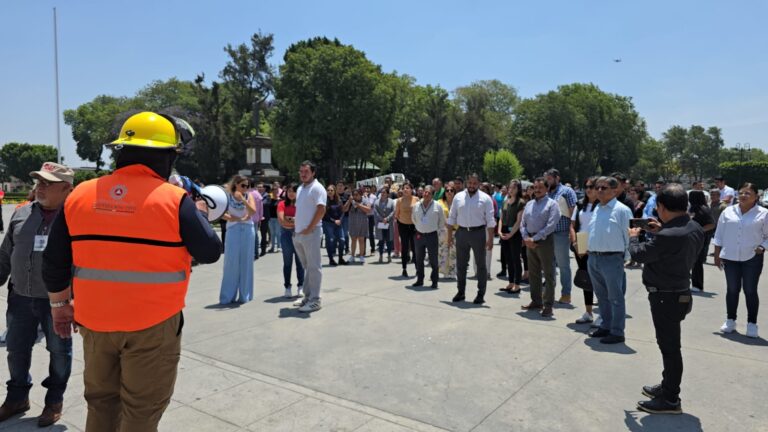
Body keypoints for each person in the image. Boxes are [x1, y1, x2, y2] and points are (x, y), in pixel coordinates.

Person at [42, 111, 222, 431]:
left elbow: (54, 261)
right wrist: (201, 213)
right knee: (141, 411)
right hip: (153, 325)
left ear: (121, 151)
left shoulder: (80, 195)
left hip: (95, 325)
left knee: (100, 403)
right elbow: (210, 251)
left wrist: (59, 308)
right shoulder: (175, 200)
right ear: (167, 157)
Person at [0, 162, 74, 427]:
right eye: (38, 182)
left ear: (67, 188)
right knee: (16, 350)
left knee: (59, 351)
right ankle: (17, 397)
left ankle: (54, 400)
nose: (39, 187)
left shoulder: (77, 219)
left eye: (47, 183)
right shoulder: (21, 214)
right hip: (20, 297)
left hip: (58, 301)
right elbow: (6, 252)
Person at [629, 183, 704, 415]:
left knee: (670, 348)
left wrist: (634, 237)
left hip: (665, 296)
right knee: (669, 346)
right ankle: (667, 386)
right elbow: (673, 244)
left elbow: (639, 254)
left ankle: (671, 399)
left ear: (661, 206)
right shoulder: (693, 227)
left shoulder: (670, 235)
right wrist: (659, 230)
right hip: (679, 292)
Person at [713, 182, 768, 338]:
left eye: (748, 193)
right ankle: (730, 320)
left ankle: (752, 324)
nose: (743, 196)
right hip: (730, 257)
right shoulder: (728, 211)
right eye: (741, 193)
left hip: (752, 258)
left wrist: (763, 247)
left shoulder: (763, 213)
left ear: (756, 197)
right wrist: (717, 254)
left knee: (750, 290)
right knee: (732, 290)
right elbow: (719, 234)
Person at [587, 176, 632, 344]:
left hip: (612, 259)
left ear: (615, 191)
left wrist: (627, 258)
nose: (599, 190)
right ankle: (606, 326)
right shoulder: (597, 208)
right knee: (601, 296)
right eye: (597, 187)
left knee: (615, 297)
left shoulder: (622, 210)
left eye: (603, 188)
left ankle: (617, 332)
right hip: (594, 257)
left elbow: (628, 236)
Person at [447, 174, 496, 304]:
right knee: (461, 265)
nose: (471, 186)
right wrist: (449, 237)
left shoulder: (485, 199)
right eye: (469, 183)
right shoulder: (458, 197)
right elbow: (452, 217)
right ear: (466, 183)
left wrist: (490, 239)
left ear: (479, 184)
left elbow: (491, 220)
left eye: (474, 183)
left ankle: (481, 294)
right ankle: (461, 292)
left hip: (478, 233)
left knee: (481, 265)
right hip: (461, 232)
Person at [519, 178, 560, 316]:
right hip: (529, 241)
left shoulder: (552, 204)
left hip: (544, 241)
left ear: (547, 189)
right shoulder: (529, 203)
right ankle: (536, 301)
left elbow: (551, 225)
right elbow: (522, 223)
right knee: (534, 273)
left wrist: (534, 238)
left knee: (548, 274)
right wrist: (526, 237)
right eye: (535, 187)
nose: (537, 190)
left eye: (540, 187)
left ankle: (548, 305)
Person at [292, 161, 327, 313]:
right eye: (301, 171)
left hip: (311, 233)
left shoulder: (317, 188)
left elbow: (321, 210)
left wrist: (310, 228)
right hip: (299, 233)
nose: (303, 174)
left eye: (306, 171)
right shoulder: (301, 188)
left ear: (313, 173)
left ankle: (315, 299)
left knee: (314, 266)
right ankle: (308, 296)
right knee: (308, 267)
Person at [219, 175, 257, 304]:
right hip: (233, 229)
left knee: (246, 262)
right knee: (231, 262)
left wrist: (244, 201)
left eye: (248, 186)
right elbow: (218, 212)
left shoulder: (248, 196)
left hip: (247, 229)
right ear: (236, 184)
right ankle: (227, 296)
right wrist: (230, 218)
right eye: (243, 186)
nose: (246, 188)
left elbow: (253, 212)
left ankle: (244, 295)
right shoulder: (227, 196)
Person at [570, 176, 600, 325]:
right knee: (585, 278)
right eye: (586, 187)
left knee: (599, 280)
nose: (588, 190)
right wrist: (575, 243)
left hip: (595, 247)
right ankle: (588, 312)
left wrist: (590, 247)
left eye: (591, 187)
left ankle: (602, 314)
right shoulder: (580, 204)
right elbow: (572, 225)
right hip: (580, 244)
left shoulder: (602, 205)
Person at [545, 169, 578, 304]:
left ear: (557, 178)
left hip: (561, 233)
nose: (547, 181)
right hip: (547, 233)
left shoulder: (566, 191)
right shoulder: (547, 192)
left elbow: (573, 212)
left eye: (549, 179)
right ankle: (549, 292)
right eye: (546, 179)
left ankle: (566, 294)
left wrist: (572, 232)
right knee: (548, 265)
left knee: (563, 265)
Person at [411, 185, 446, 289]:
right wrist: (419, 227)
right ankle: (420, 279)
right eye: (425, 192)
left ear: (432, 194)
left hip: (432, 235)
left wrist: (435, 229)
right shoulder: (416, 205)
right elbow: (413, 218)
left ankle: (434, 281)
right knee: (419, 259)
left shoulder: (437, 206)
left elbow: (442, 221)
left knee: (433, 260)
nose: (426, 194)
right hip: (419, 235)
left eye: (429, 193)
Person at [498, 180, 525, 294]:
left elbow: (519, 221)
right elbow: (501, 218)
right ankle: (511, 282)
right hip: (504, 231)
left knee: (515, 259)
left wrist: (511, 234)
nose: (511, 190)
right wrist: (499, 231)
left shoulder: (521, 202)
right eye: (510, 187)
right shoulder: (506, 201)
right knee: (508, 259)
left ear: (518, 189)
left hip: (514, 233)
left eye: (514, 188)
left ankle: (517, 284)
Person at [277, 183, 304, 298]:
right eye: (289, 191)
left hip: (299, 234)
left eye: (294, 191)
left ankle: (301, 286)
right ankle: (287, 286)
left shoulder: (301, 204)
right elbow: (282, 221)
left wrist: (290, 219)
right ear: (286, 193)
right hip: (286, 235)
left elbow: (303, 221)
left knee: (300, 262)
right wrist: (295, 221)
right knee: (287, 263)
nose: (291, 193)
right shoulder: (281, 204)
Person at [688, 190, 715, 292]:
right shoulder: (694, 208)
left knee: (697, 262)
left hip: (700, 239)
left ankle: (698, 285)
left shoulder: (703, 209)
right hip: (693, 239)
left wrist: (699, 230)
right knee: (692, 261)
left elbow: (711, 224)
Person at [394, 183, 418, 277]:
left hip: (413, 226)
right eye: (404, 188)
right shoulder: (399, 200)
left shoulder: (416, 199)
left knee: (415, 247)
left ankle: (417, 268)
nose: (405, 190)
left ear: (411, 190)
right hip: (403, 225)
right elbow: (396, 214)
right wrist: (399, 222)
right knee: (404, 247)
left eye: (407, 188)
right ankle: (404, 268)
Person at [322, 184, 346, 266]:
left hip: (338, 223)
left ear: (334, 191)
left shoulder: (338, 200)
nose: (330, 192)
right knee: (330, 240)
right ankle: (331, 259)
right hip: (328, 223)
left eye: (331, 190)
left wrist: (340, 220)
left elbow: (342, 211)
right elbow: (325, 214)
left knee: (342, 240)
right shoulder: (324, 201)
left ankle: (340, 258)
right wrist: (334, 220)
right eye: (328, 190)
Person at [438, 184, 457, 279]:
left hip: (455, 230)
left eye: (451, 190)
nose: (449, 192)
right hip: (443, 231)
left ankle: (453, 272)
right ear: (444, 193)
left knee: (454, 252)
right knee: (443, 251)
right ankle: (444, 272)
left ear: (454, 193)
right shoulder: (439, 202)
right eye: (447, 190)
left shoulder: (457, 202)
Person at [347, 188, 371, 263]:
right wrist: (349, 202)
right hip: (353, 222)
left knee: (361, 240)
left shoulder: (365, 200)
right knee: (353, 239)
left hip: (362, 222)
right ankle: (352, 256)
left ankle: (361, 256)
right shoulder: (350, 201)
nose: (355, 196)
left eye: (356, 195)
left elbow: (368, 210)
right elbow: (344, 209)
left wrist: (359, 205)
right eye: (353, 195)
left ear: (360, 195)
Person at [373, 187, 395, 262]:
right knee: (381, 240)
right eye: (381, 192)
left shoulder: (391, 202)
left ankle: (389, 255)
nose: (382, 194)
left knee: (389, 240)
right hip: (380, 224)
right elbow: (375, 212)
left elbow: (393, 212)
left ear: (387, 194)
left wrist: (387, 219)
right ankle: (381, 255)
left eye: (384, 192)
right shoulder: (376, 202)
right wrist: (382, 219)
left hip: (388, 224)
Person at [248, 181, 264, 260]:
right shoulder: (258, 195)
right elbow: (261, 208)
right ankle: (256, 253)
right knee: (255, 236)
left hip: (247, 218)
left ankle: (250, 253)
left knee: (248, 237)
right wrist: (260, 217)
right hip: (256, 218)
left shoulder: (247, 194)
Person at [258, 183, 271, 257]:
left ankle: (263, 250)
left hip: (264, 217)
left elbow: (265, 203)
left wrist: (256, 202)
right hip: (256, 216)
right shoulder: (255, 195)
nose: (259, 188)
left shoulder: (267, 195)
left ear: (264, 188)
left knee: (263, 234)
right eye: (258, 187)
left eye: (261, 187)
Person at [364, 185, 378, 254]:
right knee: (363, 233)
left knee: (371, 233)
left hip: (371, 216)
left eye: (368, 188)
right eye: (365, 188)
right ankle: (363, 249)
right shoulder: (362, 196)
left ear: (370, 189)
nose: (367, 190)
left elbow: (371, 205)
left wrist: (366, 199)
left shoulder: (374, 197)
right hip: (364, 216)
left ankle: (372, 248)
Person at [268, 185, 281, 253]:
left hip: (278, 219)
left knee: (278, 233)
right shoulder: (270, 199)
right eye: (273, 191)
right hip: (271, 219)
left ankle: (278, 247)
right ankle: (272, 247)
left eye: (276, 191)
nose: (275, 193)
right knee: (272, 233)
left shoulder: (280, 200)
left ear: (278, 192)